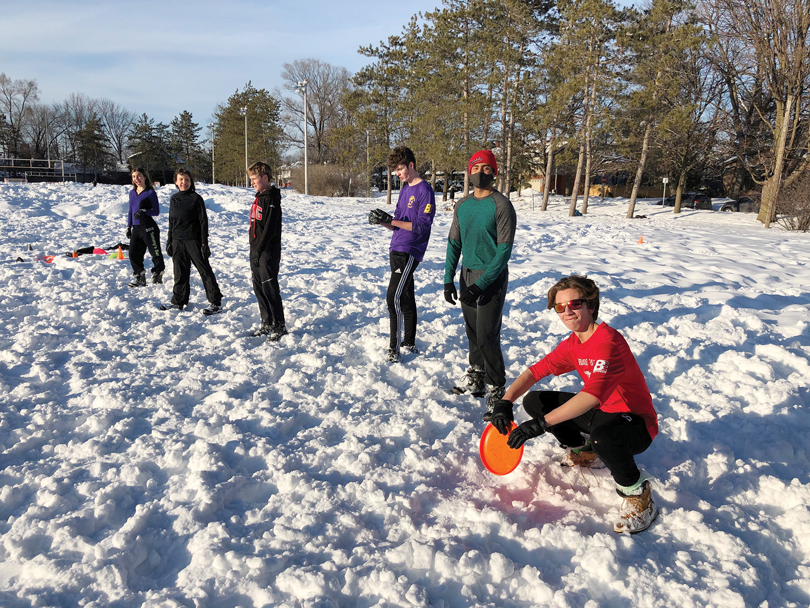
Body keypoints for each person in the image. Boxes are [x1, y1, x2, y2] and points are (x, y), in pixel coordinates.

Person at [489, 275, 659, 534]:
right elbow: (535, 372)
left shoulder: (608, 342)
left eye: (575, 304)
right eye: (560, 307)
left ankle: (638, 493)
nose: (567, 311)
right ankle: (585, 450)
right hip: (603, 414)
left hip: (635, 423)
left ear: (591, 306)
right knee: (535, 400)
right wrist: (505, 401)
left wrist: (541, 424)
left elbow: (592, 396)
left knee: (605, 437)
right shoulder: (574, 343)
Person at [444, 150, 516, 418]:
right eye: (477, 167)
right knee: (472, 331)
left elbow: (504, 250)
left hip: (492, 277)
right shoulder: (463, 205)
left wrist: (483, 283)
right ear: (469, 171)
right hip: (467, 275)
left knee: (487, 335)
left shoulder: (502, 206)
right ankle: (476, 376)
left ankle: (497, 388)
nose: (481, 172)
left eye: (487, 168)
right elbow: (454, 243)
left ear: (494, 172)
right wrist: (448, 279)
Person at [369, 146, 436, 363]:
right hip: (395, 248)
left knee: (393, 297)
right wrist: (382, 221)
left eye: (399, 169)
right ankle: (409, 342)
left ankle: (394, 349)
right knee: (406, 296)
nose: (397, 173)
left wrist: (393, 221)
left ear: (411, 165)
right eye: (395, 170)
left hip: (410, 250)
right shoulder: (404, 190)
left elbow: (421, 226)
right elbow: (398, 224)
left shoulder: (424, 190)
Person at [161, 168, 223, 315]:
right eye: (181, 180)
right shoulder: (174, 199)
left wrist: (204, 243)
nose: (184, 182)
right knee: (179, 272)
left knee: (204, 271)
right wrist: (169, 241)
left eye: (187, 180)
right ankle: (178, 301)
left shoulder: (196, 199)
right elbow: (172, 221)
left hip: (193, 240)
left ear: (191, 182)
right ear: (176, 182)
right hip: (177, 241)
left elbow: (203, 222)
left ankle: (215, 302)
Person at [248, 161, 287, 342]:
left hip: (268, 251)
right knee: (259, 287)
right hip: (256, 250)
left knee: (269, 286)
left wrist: (259, 249)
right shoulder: (259, 197)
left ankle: (279, 324)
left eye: (254, 179)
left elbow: (269, 229)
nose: (252, 183)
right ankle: (267, 321)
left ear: (265, 177)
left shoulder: (271, 199)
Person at [126, 167, 165, 287]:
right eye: (134, 177)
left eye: (139, 176)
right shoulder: (132, 193)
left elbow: (156, 211)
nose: (136, 179)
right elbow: (130, 210)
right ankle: (140, 276)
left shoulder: (150, 193)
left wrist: (144, 211)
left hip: (149, 228)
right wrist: (128, 226)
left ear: (144, 177)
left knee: (155, 252)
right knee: (133, 253)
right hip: (136, 229)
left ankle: (158, 273)